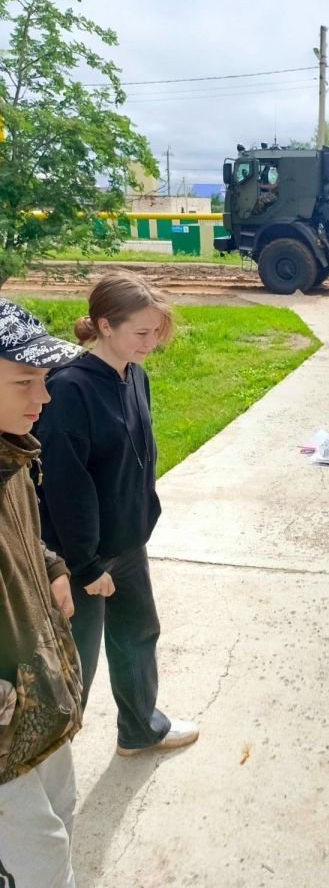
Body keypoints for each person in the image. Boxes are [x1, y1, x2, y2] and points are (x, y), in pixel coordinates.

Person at [35, 273, 198, 757]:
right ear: (105, 325)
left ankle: (139, 731)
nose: (151, 343)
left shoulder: (134, 373)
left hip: (127, 542)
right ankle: (44, 764)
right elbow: (64, 485)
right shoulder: (70, 388)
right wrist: (85, 565)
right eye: (141, 333)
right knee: (74, 664)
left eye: (156, 333)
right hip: (80, 555)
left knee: (138, 636)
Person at [0, 297, 84, 887]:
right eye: (25, 381)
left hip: (39, 694)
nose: (45, 397)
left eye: (45, 379)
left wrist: (52, 565)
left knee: (63, 813)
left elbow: (22, 533)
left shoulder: (10, 453)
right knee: (40, 855)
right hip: (4, 720)